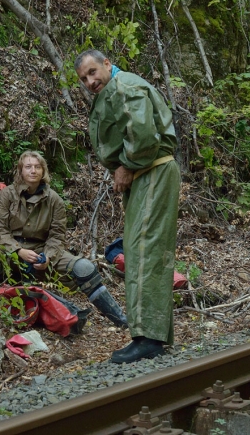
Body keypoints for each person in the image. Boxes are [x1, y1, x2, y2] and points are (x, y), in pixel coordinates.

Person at [75, 49, 180, 363]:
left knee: (144, 249)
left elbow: (144, 136)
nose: (91, 81)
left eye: (94, 72)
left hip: (152, 170)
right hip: (145, 173)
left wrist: (127, 165)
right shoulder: (113, 90)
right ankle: (150, 334)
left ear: (107, 64)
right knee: (140, 250)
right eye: (84, 78)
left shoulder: (125, 86)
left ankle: (149, 338)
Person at [0, 150, 127, 328]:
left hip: (41, 251)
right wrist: (18, 251)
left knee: (84, 268)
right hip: (8, 249)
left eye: (37, 167)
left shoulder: (54, 200)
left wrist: (48, 256)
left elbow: (57, 235)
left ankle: (120, 319)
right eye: (28, 167)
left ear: (43, 171)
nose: (33, 171)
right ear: (21, 171)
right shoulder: (6, 195)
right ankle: (11, 278)